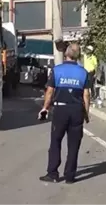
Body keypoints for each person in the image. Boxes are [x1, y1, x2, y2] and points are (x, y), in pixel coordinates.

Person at [38, 43, 92, 184]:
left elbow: (50, 91)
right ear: (78, 56)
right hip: (76, 110)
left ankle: (53, 173)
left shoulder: (57, 70)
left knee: (56, 141)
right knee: (74, 145)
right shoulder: (83, 72)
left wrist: (45, 108)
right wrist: (86, 113)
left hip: (60, 110)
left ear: (66, 54)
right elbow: (86, 95)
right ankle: (70, 176)